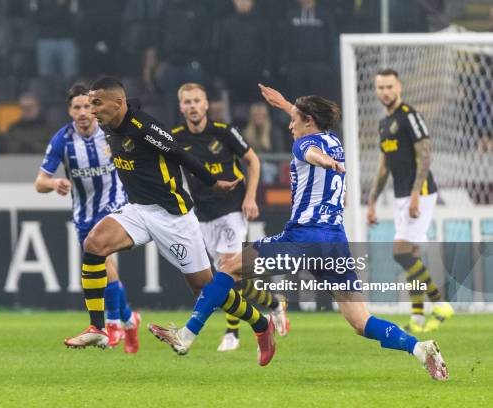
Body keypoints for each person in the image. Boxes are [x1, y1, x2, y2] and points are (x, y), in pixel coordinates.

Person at [220, 83, 449, 381]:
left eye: (294, 119)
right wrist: (284, 104)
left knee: (228, 267)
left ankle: (202, 330)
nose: (291, 124)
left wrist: (322, 160)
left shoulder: (306, 145)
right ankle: (419, 348)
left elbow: (309, 149)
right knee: (360, 322)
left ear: (308, 122)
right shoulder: (334, 140)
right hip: (336, 241)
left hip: (304, 236)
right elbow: (308, 128)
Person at [73, 77, 276, 366]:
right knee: (94, 243)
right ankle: (98, 327)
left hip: (174, 216)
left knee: (205, 291)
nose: (92, 109)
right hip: (139, 210)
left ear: (118, 103)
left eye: (96, 103)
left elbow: (179, 154)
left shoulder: (143, 127)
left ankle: (260, 325)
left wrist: (212, 182)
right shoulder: (108, 124)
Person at [173, 82, 289, 352]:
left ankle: (231, 332)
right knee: (229, 279)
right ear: (181, 107)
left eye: (196, 101)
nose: (192, 106)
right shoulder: (176, 137)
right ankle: (273, 303)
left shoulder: (224, 133)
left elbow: (254, 161)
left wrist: (250, 197)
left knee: (227, 268)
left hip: (232, 210)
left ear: (205, 104)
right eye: (187, 102)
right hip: (202, 215)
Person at [35, 83, 140, 352]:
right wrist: (54, 183)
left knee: (105, 266)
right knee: (105, 268)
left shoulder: (109, 131)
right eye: (77, 107)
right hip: (84, 214)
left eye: (87, 106)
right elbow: (39, 182)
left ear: (94, 108)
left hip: (116, 206)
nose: (83, 112)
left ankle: (113, 324)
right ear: (69, 111)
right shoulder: (63, 139)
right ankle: (130, 319)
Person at [368, 69, 454, 333]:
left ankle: (441, 304)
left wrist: (416, 194)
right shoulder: (384, 124)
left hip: (421, 191)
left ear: (399, 87)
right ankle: (417, 316)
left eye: (389, 87)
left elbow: (425, 156)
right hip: (401, 194)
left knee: (401, 251)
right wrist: (371, 202)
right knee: (411, 255)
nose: (385, 92)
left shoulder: (410, 116)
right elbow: (384, 168)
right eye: (380, 87)